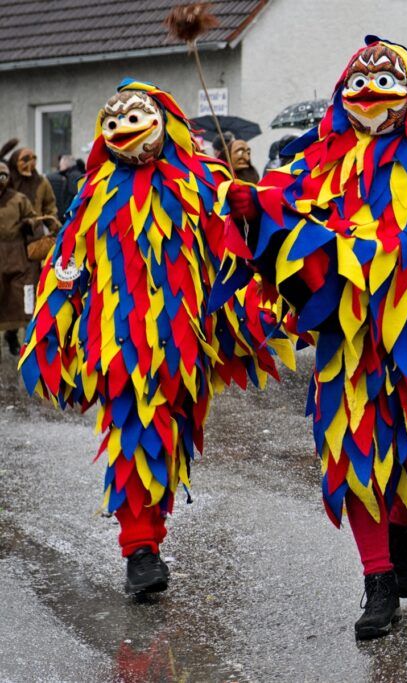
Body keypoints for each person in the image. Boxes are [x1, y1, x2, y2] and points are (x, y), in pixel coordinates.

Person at [227, 36, 407, 641]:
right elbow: (283, 211)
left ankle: (400, 532)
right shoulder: (318, 157)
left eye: (385, 83)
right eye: (359, 82)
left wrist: (373, 253)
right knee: (357, 453)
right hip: (348, 337)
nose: (370, 93)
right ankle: (377, 580)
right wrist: (252, 208)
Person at [19, 79, 288, 596]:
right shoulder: (95, 194)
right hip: (118, 340)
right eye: (114, 121)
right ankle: (139, 549)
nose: (124, 128)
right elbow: (69, 264)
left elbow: (235, 245)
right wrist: (52, 327)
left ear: (163, 123)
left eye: (135, 118)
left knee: (172, 435)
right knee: (132, 432)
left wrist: (247, 210)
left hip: (185, 338)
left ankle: (150, 532)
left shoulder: (200, 182)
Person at [0, 161, 41, 357]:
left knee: (18, 300)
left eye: (3, 176)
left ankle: (14, 336)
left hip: (16, 254)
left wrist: (29, 223)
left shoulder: (18, 199)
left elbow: (33, 217)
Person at [46, 154, 85, 220]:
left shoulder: (72, 176)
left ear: (65, 165)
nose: (60, 168)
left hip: (73, 215)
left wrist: (65, 213)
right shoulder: (76, 174)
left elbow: (71, 196)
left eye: (61, 165)